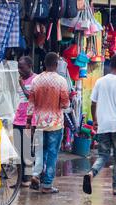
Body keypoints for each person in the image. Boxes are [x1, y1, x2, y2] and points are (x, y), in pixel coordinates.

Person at [83, 54, 116, 196]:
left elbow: (93, 104)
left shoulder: (100, 82)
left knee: (103, 155)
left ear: (110, 66)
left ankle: (91, 173)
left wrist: (95, 121)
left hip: (103, 126)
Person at [28, 52, 70, 194]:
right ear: (56, 65)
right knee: (52, 154)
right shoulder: (61, 81)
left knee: (40, 152)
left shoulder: (36, 80)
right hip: (55, 123)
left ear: (44, 63)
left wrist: (30, 121)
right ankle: (47, 185)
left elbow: (31, 103)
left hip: (39, 122)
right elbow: (65, 104)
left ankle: (35, 175)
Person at [13, 56, 36, 187]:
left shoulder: (35, 79)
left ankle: (27, 179)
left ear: (29, 66)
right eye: (18, 67)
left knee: (27, 150)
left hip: (29, 120)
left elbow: (32, 98)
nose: (19, 70)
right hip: (18, 119)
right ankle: (20, 180)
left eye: (21, 67)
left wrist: (22, 86)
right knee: (18, 151)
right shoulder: (20, 80)